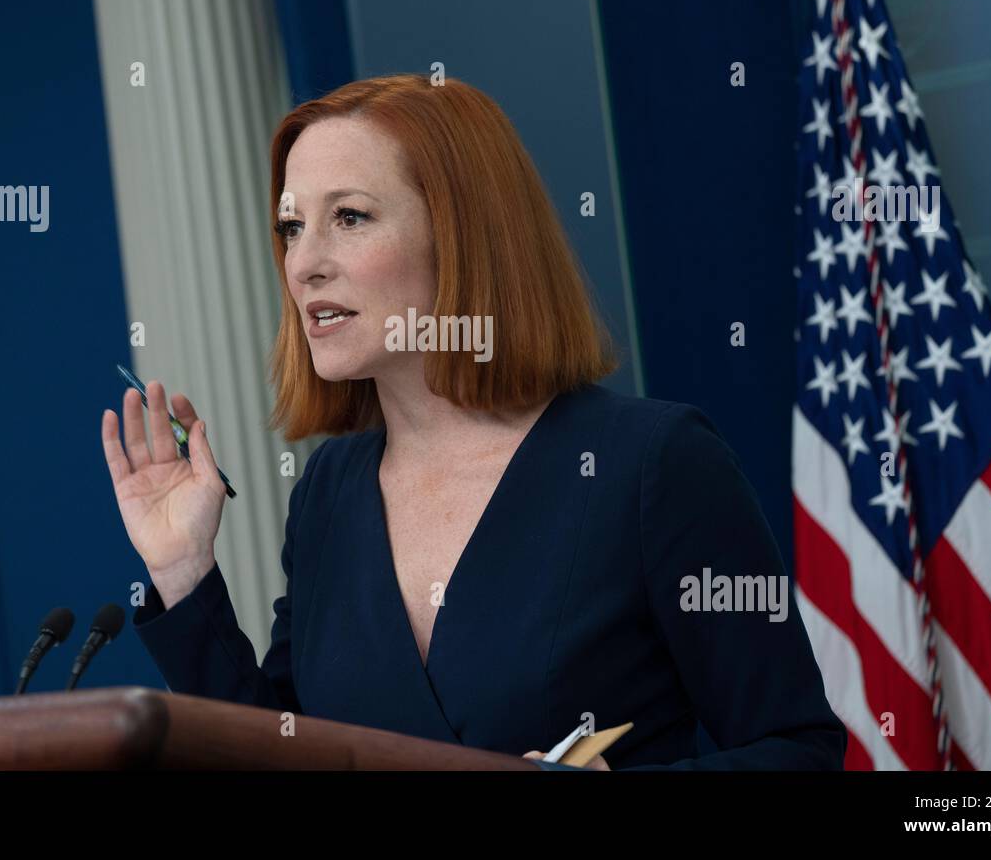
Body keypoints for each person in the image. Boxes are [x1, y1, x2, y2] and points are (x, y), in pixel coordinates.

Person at [100, 74, 846, 770]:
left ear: (462, 233)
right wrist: (183, 571)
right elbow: (283, 756)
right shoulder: (328, 493)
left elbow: (798, 749)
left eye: (349, 217)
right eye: (292, 227)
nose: (304, 265)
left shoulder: (652, 463)